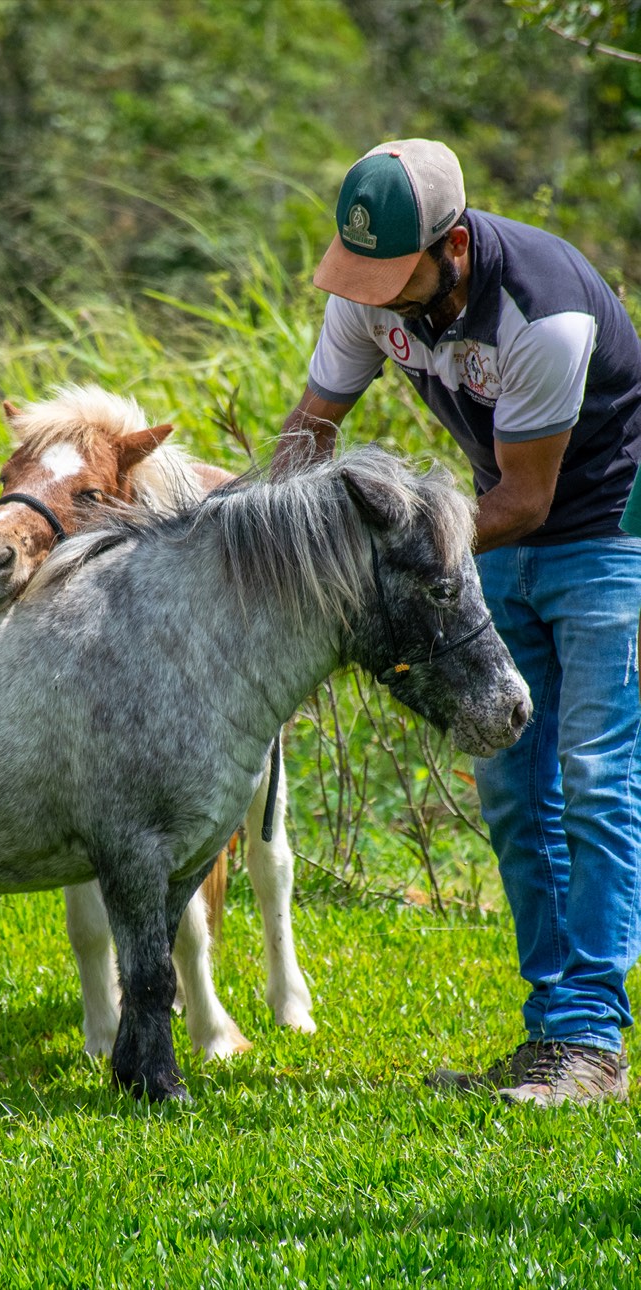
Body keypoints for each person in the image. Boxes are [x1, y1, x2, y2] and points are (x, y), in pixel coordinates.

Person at [275, 138, 641, 1106]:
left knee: (594, 779)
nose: (376, 299)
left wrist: (392, 561)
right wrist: (244, 532)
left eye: (395, 277)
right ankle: (552, 1036)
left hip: (607, 536)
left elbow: (525, 499)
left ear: (456, 247)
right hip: (494, 535)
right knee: (513, 789)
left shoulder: (543, 314)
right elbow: (309, 431)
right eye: (362, 276)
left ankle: (590, 1044)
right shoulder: (370, 295)